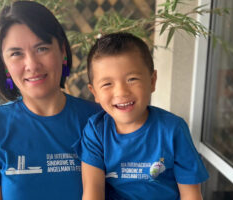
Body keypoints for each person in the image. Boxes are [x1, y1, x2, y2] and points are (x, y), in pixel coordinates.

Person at [0, 1, 101, 200]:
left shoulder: (100, 119)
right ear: (4, 65)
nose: (32, 65)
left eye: (42, 49)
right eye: (16, 54)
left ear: (62, 51)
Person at [75, 32, 209, 200]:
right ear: (94, 92)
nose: (121, 92)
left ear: (152, 81)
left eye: (132, 79)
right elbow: (92, 192)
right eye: (107, 84)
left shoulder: (173, 129)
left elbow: (191, 195)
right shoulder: (96, 131)